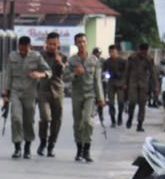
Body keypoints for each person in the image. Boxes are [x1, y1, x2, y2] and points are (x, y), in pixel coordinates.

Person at [2, 35, 51, 159]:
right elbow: (8, 75)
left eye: (25, 49)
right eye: (21, 49)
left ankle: (27, 146)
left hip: (30, 93)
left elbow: (49, 72)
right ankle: (17, 147)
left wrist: (40, 74)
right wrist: (5, 94)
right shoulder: (13, 56)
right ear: (19, 46)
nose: (23, 51)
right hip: (15, 92)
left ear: (30, 47)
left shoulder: (36, 57)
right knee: (16, 118)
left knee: (29, 121)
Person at [62, 33, 105, 163]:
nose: (81, 44)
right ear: (76, 44)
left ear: (87, 43)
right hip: (77, 94)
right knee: (77, 123)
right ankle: (79, 149)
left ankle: (87, 149)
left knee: (87, 121)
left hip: (90, 95)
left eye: (83, 42)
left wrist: (101, 98)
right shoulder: (72, 60)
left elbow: (97, 80)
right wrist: (75, 73)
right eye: (79, 42)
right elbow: (65, 77)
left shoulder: (94, 60)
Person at [36, 32, 66, 157]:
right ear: (46, 44)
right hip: (43, 90)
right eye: (49, 44)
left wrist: (60, 63)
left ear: (58, 44)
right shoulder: (40, 56)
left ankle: (51, 145)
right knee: (45, 117)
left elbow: (63, 73)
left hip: (57, 91)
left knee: (56, 121)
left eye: (54, 44)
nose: (52, 46)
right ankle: (43, 141)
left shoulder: (62, 57)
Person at [123, 43, 154, 132]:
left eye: (145, 52)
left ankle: (140, 124)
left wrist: (156, 86)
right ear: (139, 50)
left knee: (142, 105)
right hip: (133, 84)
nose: (143, 54)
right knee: (132, 102)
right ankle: (130, 117)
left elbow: (153, 73)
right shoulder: (132, 58)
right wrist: (125, 83)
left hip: (143, 85)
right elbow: (126, 71)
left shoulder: (149, 59)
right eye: (142, 52)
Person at [102, 44, 127, 128]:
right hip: (111, 83)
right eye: (110, 52)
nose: (111, 53)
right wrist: (106, 75)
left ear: (117, 51)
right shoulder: (107, 62)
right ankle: (113, 120)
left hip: (121, 83)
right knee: (111, 103)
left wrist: (125, 83)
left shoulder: (122, 61)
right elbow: (104, 72)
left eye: (113, 51)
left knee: (121, 101)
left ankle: (120, 116)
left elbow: (127, 73)